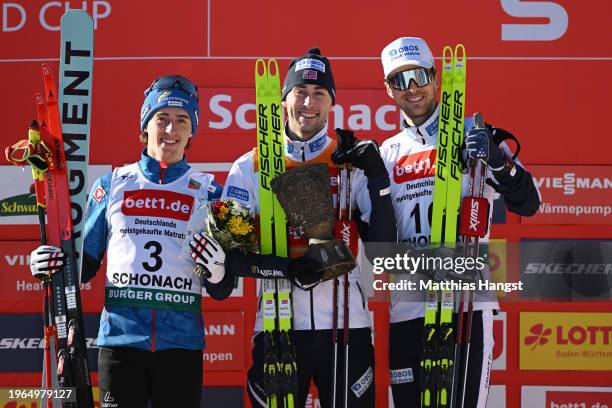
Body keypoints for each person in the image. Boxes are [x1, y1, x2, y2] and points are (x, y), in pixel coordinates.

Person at [190, 48, 397, 407]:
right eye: (300, 92)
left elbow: (384, 249)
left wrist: (378, 178)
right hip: (277, 326)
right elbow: (230, 261)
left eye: (320, 94)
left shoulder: (351, 161)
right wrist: (287, 269)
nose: (309, 102)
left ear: (331, 103)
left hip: (347, 328)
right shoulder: (247, 166)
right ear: (284, 99)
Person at [28, 74, 230, 408]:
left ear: (192, 130)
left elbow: (222, 288)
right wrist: (48, 263)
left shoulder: (210, 193)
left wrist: (221, 271)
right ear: (145, 125)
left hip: (181, 346)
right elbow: (82, 268)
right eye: (161, 119)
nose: (171, 130)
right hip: (121, 345)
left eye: (182, 121)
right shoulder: (114, 185)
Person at [376, 37, 541, 407]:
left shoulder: (475, 132)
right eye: (399, 81)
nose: (411, 88)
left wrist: (497, 158)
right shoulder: (387, 153)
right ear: (388, 89)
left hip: (466, 302)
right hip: (409, 307)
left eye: (418, 76)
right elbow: (377, 239)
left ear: (435, 77)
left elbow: (530, 202)